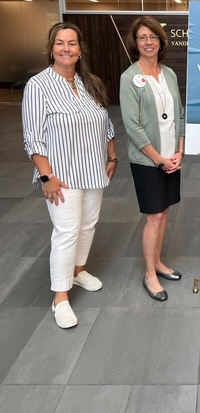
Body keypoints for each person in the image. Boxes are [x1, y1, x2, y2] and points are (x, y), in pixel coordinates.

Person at [22, 22, 118, 329]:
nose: (66, 49)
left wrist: (112, 155)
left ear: (80, 50)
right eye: (60, 43)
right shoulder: (39, 86)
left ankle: (78, 272)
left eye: (72, 43)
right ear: (51, 49)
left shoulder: (88, 82)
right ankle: (60, 298)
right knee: (66, 232)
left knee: (88, 225)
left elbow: (104, 120)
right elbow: (33, 138)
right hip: (61, 175)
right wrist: (46, 175)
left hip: (93, 168)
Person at [120, 16, 185, 302]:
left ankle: (158, 262)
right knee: (154, 215)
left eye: (153, 37)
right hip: (148, 160)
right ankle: (149, 274)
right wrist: (159, 159)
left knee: (165, 210)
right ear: (136, 44)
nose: (148, 42)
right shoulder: (129, 78)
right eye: (142, 38)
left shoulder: (168, 73)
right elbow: (132, 125)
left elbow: (180, 114)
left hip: (172, 156)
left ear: (161, 41)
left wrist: (179, 150)